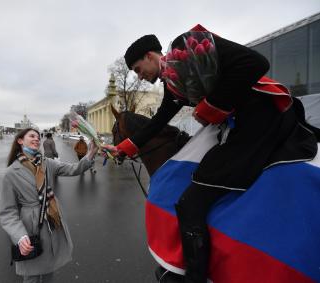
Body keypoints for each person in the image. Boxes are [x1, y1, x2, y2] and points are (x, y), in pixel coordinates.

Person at [105, 25, 318, 283]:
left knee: (190, 204)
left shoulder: (187, 46)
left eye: (139, 69)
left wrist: (213, 104)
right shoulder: (174, 84)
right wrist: (124, 147)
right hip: (238, 127)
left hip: (260, 123)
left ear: (151, 56)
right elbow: (158, 122)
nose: (139, 77)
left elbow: (256, 62)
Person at [0, 128, 98, 283]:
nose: (37, 139)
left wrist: (91, 153)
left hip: (51, 222)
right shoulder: (11, 172)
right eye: (32, 136)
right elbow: (7, 212)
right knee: (31, 274)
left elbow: (74, 169)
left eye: (38, 137)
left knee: (49, 269)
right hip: (30, 228)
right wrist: (20, 236)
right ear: (20, 141)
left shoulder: (47, 163)